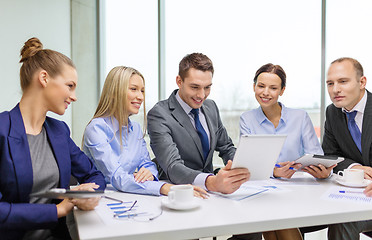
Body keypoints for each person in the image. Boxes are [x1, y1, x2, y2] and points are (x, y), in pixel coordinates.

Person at [0, 37, 106, 240]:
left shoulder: (59, 130)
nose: (74, 96)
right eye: (70, 85)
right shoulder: (2, 129)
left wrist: (87, 195)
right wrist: (59, 210)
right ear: (44, 78)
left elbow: (94, 176)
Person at [148, 53, 260, 240]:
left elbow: (226, 147)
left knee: (252, 229)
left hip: (211, 193)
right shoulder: (159, 114)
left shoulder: (210, 107)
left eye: (207, 87)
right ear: (179, 81)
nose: (201, 95)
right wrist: (211, 182)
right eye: (195, 87)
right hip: (180, 195)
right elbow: (173, 167)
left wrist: (239, 165)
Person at [83, 66, 207, 198]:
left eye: (142, 91)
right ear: (114, 92)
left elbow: (147, 163)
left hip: (131, 196)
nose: (140, 97)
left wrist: (149, 173)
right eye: (133, 89)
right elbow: (118, 177)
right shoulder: (96, 129)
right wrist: (166, 188)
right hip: (99, 199)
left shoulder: (135, 129)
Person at [240, 63, 334, 179]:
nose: (265, 92)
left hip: (298, 184)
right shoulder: (247, 119)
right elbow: (247, 163)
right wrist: (273, 172)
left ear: (282, 90)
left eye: (273, 88)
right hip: (262, 185)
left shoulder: (301, 117)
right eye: (261, 86)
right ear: (254, 87)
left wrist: (324, 172)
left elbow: (316, 156)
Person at [322, 57, 372, 240]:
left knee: (344, 219)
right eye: (330, 83)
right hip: (357, 196)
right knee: (341, 217)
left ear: (362, 82)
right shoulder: (332, 112)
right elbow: (330, 154)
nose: (335, 89)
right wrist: (354, 167)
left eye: (343, 81)